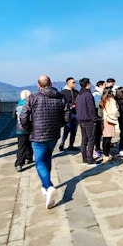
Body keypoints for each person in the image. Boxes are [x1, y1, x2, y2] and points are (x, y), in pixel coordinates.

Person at [19, 75, 69, 209]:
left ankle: (48, 186)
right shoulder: (60, 97)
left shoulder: (33, 97)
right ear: (51, 83)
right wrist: (60, 124)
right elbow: (67, 114)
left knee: (39, 162)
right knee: (47, 158)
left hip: (38, 134)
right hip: (54, 133)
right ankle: (45, 186)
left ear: (38, 85)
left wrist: (29, 128)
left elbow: (23, 116)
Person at [76, 78, 100, 167]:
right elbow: (92, 109)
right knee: (91, 140)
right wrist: (94, 120)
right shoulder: (88, 95)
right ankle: (90, 159)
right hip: (88, 120)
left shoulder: (79, 95)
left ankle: (84, 158)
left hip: (80, 120)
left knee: (84, 140)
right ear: (87, 84)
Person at [14, 90, 33, 172]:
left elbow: (14, 116)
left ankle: (19, 163)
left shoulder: (17, 105)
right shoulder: (31, 104)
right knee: (29, 143)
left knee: (21, 145)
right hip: (30, 126)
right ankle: (28, 158)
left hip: (20, 127)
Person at [99, 88, 120, 163]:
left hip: (104, 120)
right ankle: (106, 154)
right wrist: (117, 114)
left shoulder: (103, 100)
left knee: (105, 138)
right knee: (108, 138)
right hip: (109, 120)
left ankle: (105, 154)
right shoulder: (112, 100)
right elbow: (114, 111)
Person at [59, 77, 79, 151]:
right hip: (67, 114)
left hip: (75, 113)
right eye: (72, 82)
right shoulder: (63, 93)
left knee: (74, 130)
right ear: (68, 83)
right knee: (67, 129)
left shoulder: (76, 92)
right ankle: (62, 142)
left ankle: (71, 145)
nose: (74, 84)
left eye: (74, 82)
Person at [93, 80, 106, 157]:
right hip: (97, 117)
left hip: (99, 117)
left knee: (98, 134)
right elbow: (97, 104)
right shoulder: (96, 94)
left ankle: (98, 148)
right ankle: (96, 149)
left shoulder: (99, 93)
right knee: (97, 134)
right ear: (100, 85)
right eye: (104, 85)